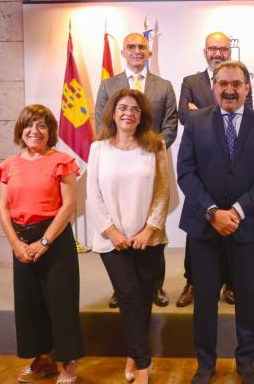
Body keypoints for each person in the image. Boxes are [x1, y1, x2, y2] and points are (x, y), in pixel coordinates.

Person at [177, 61, 254, 384]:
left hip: (246, 227)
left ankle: (246, 362)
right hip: (204, 228)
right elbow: (185, 172)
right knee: (205, 300)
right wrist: (212, 211)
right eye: (223, 84)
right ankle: (205, 364)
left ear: (248, 88)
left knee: (247, 299)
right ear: (214, 87)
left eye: (237, 83)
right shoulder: (194, 122)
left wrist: (236, 210)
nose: (229, 90)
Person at [0, 104, 83, 384]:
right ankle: (44, 360)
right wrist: (15, 244)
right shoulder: (9, 164)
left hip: (54, 239)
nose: (35, 131)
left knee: (61, 302)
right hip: (20, 239)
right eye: (29, 125)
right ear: (20, 131)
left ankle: (68, 363)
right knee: (30, 304)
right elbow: (3, 206)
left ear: (50, 132)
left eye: (42, 126)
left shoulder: (61, 160)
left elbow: (69, 205)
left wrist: (44, 242)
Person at [87, 89, 170, 384]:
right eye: (122, 108)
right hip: (113, 242)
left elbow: (163, 190)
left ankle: (134, 354)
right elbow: (93, 195)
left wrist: (149, 228)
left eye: (135, 109)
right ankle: (144, 365)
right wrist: (112, 232)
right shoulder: (98, 148)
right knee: (129, 297)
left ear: (142, 115)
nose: (128, 114)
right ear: (112, 112)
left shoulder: (156, 145)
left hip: (148, 238)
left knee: (144, 298)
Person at [95, 32, 177, 309]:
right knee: (119, 224)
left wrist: (151, 149)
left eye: (142, 47)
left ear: (149, 53)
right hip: (117, 162)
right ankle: (122, 288)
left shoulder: (164, 86)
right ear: (123, 52)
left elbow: (170, 125)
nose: (137, 51)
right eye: (131, 47)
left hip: (151, 163)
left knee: (155, 227)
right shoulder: (108, 85)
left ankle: (156, 285)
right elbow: (101, 122)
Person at [176, 31, 252, 307]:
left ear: (229, 51)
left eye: (222, 48)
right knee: (198, 229)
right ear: (204, 51)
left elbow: (247, 113)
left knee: (232, 227)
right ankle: (192, 281)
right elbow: (185, 115)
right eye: (212, 48)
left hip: (234, 166)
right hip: (203, 165)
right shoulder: (190, 81)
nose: (217, 53)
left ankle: (230, 284)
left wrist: (202, 111)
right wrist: (209, 113)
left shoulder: (241, 79)